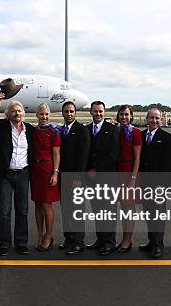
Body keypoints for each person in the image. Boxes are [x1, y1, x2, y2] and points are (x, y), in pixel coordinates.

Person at [0, 93, 35, 256]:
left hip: (23, 174)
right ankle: (5, 244)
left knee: (22, 210)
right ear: (9, 114)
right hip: (5, 175)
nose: (17, 113)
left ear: (23, 113)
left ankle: (21, 242)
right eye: (13, 111)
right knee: (5, 211)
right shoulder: (2, 126)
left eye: (19, 111)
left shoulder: (30, 129)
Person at [85, 101, 119, 256]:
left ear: (104, 112)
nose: (98, 114)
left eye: (100, 111)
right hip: (91, 180)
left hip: (107, 178)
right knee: (97, 210)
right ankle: (101, 239)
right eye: (95, 111)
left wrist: (96, 170)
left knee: (109, 211)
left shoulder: (112, 129)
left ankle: (109, 242)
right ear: (91, 112)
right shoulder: (86, 129)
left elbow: (113, 154)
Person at [138, 108, 171, 258]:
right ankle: (152, 241)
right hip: (144, 183)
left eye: (157, 118)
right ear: (147, 119)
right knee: (148, 213)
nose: (154, 120)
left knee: (158, 214)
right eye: (151, 118)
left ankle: (158, 245)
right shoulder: (140, 136)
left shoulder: (166, 137)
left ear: (161, 120)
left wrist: (162, 184)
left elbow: (167, 163)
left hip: (158, 184)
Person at [58, 101, 90, 255]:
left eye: (71, 111)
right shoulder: (61, 130)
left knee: (76, 210)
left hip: (75, 178)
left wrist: (78, 178)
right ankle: (69, 238)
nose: (69, 114)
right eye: (66, 111)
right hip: (63, 176)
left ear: (75, 113)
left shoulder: (81, 130)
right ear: (62, 113)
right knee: (65, 210)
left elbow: (83, 156)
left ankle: (79, 242)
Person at [30, 103, 61, 252]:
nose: (44, 117)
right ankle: (40, 235)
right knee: (37, 204)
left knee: (46, 205)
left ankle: (49, 236)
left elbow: (56, 153)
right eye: (41, 114)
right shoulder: (33, 131)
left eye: (47, 114)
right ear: (37, 115)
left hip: (48, 169)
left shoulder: (54, 132)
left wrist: (55, 172)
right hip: (35, 170)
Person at [114, 104, 142, 253]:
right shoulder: (117, 131)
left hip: (130, 172)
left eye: (127, 114)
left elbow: (137, 157)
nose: (124, 117)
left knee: (129, 208)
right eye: (121, 114)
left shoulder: (135, 133)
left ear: (131, 116)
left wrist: (133, 177)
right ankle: (124, 238)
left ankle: (127, 239)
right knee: (123, 207)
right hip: (118, 172)